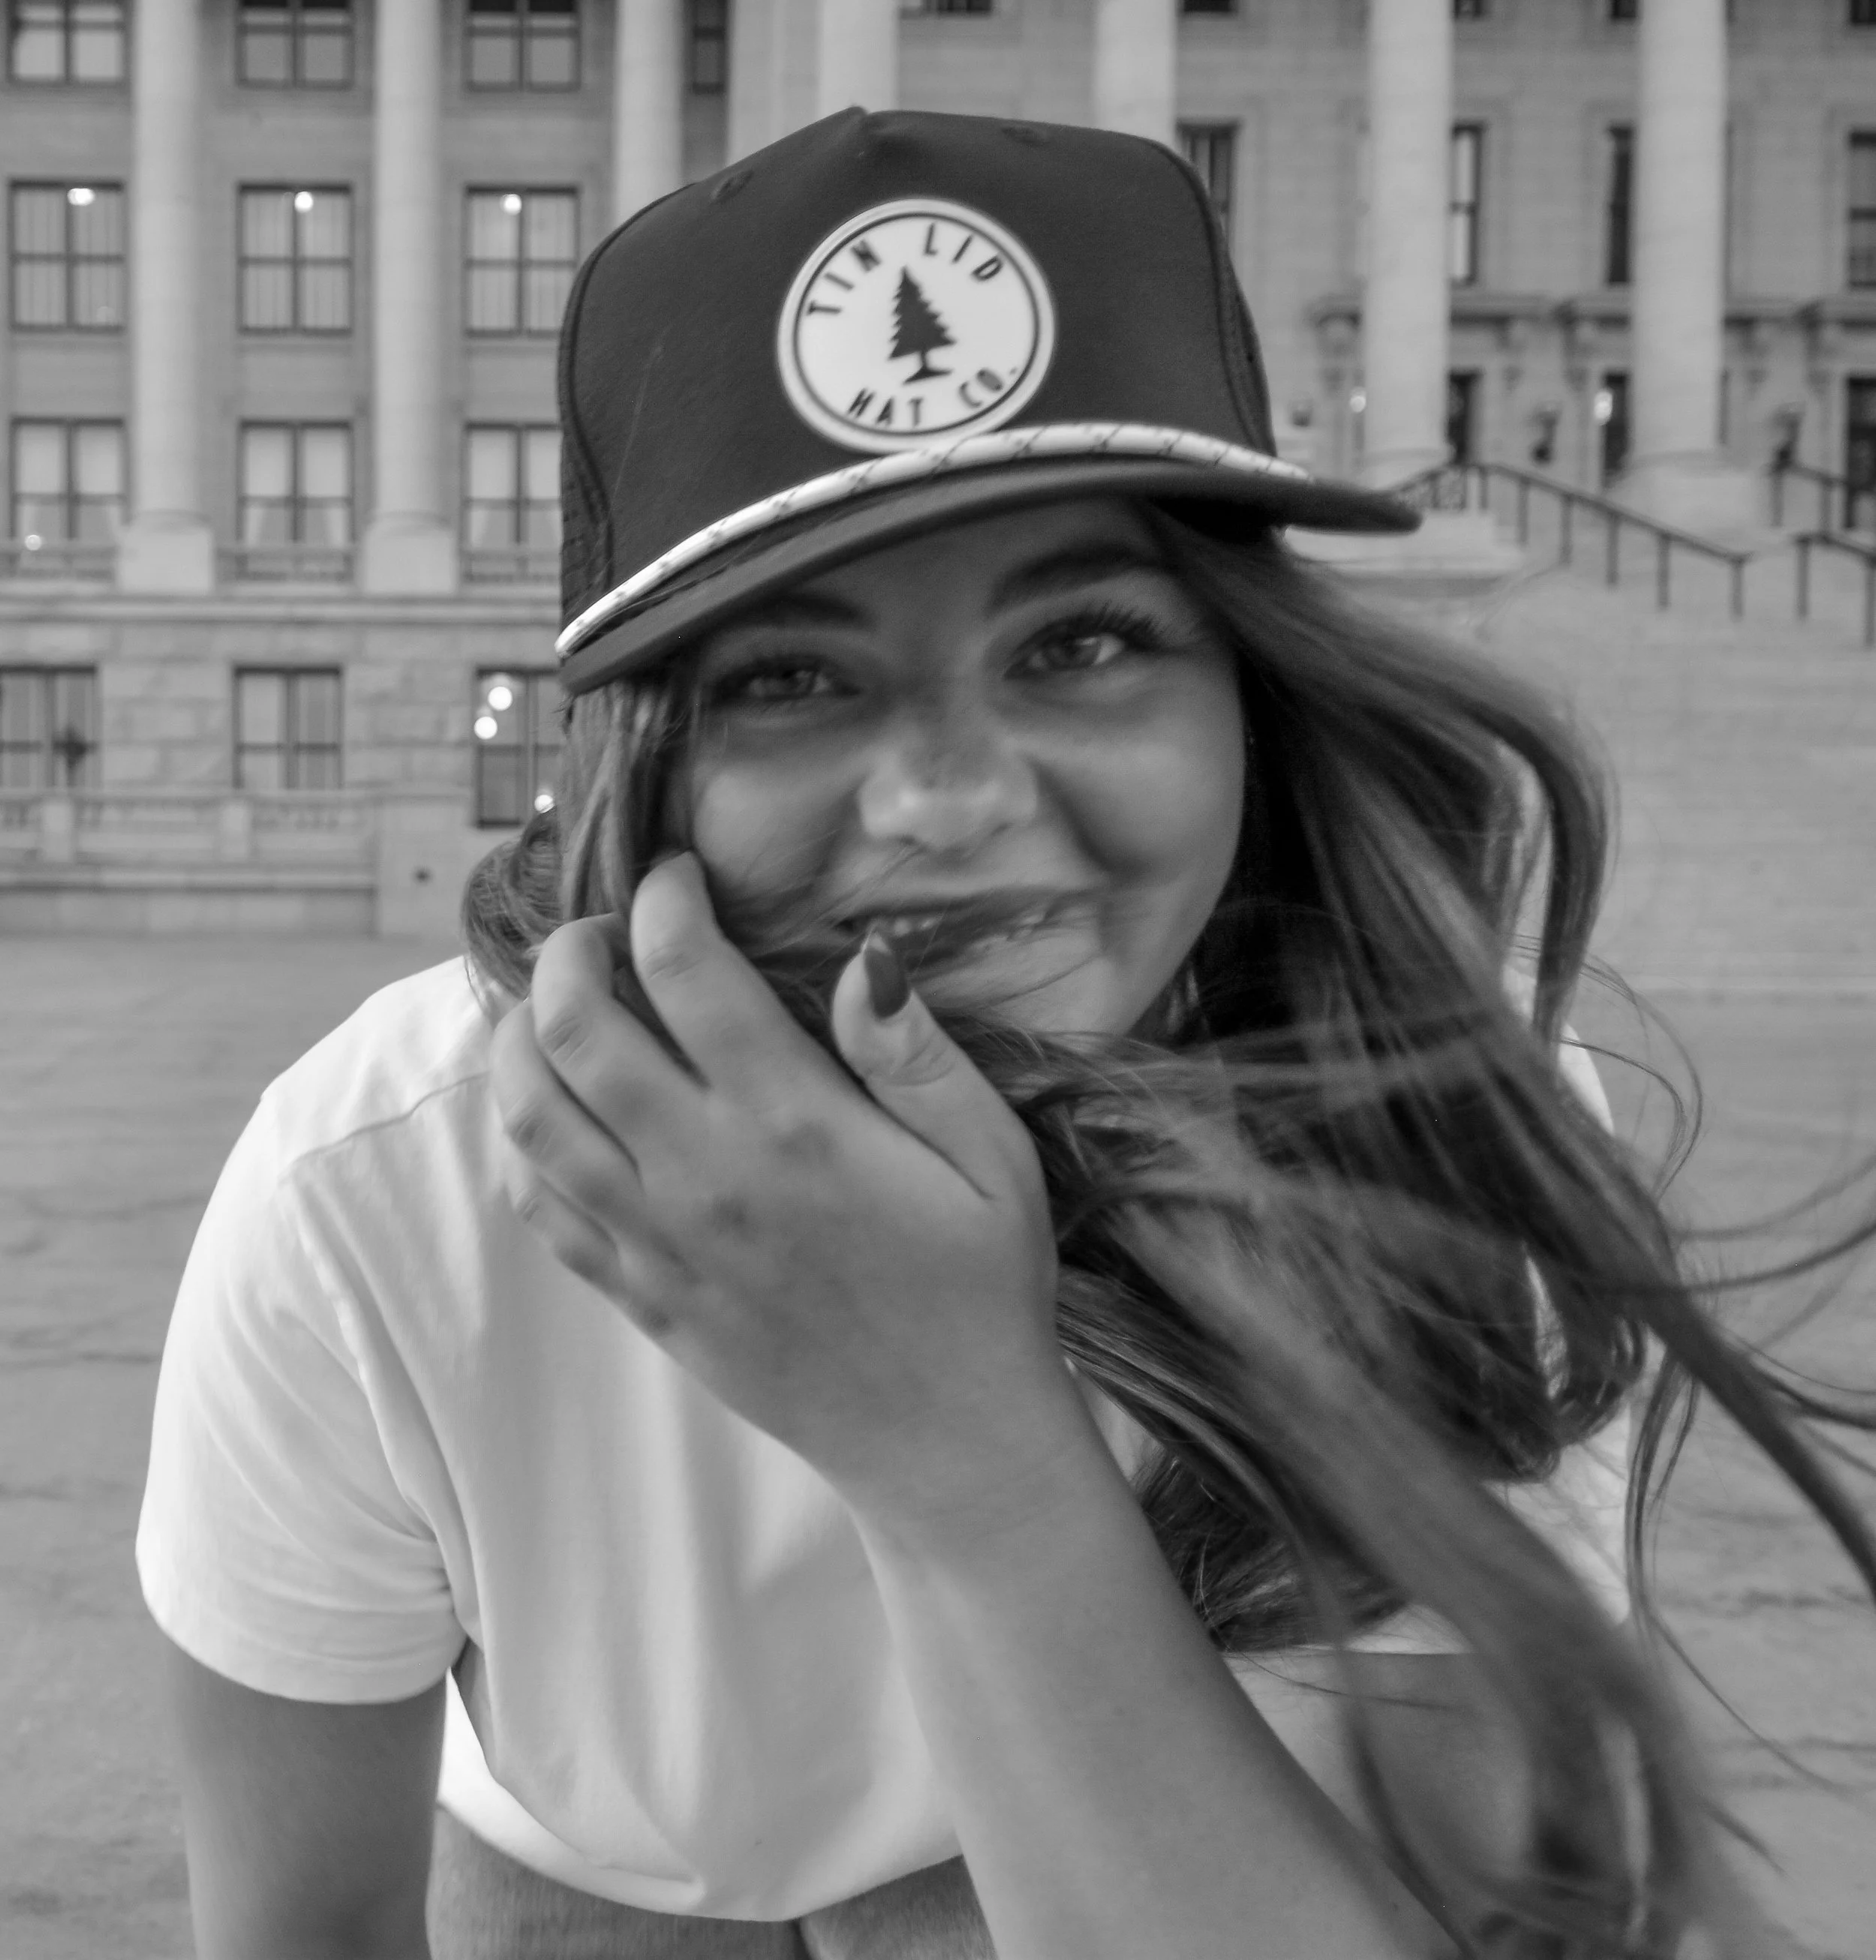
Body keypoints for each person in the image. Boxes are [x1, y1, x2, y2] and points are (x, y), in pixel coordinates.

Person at [139, 110, 1874, 1960]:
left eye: (1081, 643)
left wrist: (963, 1453)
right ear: (643, 763)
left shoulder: (1442, 1105)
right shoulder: (373, 1179)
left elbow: (1418, 1905)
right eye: (788, 675)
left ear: (1250, 691)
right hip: (606, 1892)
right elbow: (302, 1926)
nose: (950, 799)